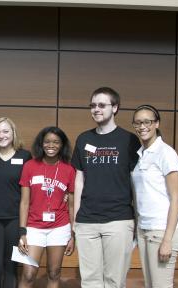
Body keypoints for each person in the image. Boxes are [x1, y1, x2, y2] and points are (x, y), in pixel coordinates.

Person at [71, 87, 141, 288]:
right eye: (93, 105)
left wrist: (137, 219)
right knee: (90, 280)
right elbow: (79, 179)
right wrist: (76, 219)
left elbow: (136, 180)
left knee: (114, 281)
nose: (96, 109)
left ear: (115, 107)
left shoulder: (129, 140)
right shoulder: (84, 139)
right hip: (87, 221)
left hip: (119, 219)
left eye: (102, 105)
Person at [131, 105, 178, 288]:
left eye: (147, 122)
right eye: (138, 122)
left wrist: (168, 240)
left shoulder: (166, 153)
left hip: (163, 230)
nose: (142, 126)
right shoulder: (141, 154)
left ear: (156, 124)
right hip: (145, 229)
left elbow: (176, 198)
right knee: (150, 285)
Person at [18, 126, 76, 288]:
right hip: (33, 227)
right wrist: (22, 232)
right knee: (28, 274)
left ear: (62, 145)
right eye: (47, 142)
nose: (51, 145)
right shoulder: (30, 166)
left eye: (56, 142)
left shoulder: (69, 170)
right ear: (41, 144)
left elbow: (71, 204)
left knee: (54, 272)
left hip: (59, 227)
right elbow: (24, 202)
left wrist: (72, 234)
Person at [0, 117, 31, 288]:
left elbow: (34, 185)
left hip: (15, 219)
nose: (1, 135)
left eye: (5, 131)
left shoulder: (25, 156)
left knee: (11, 268)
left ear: (13, 133)